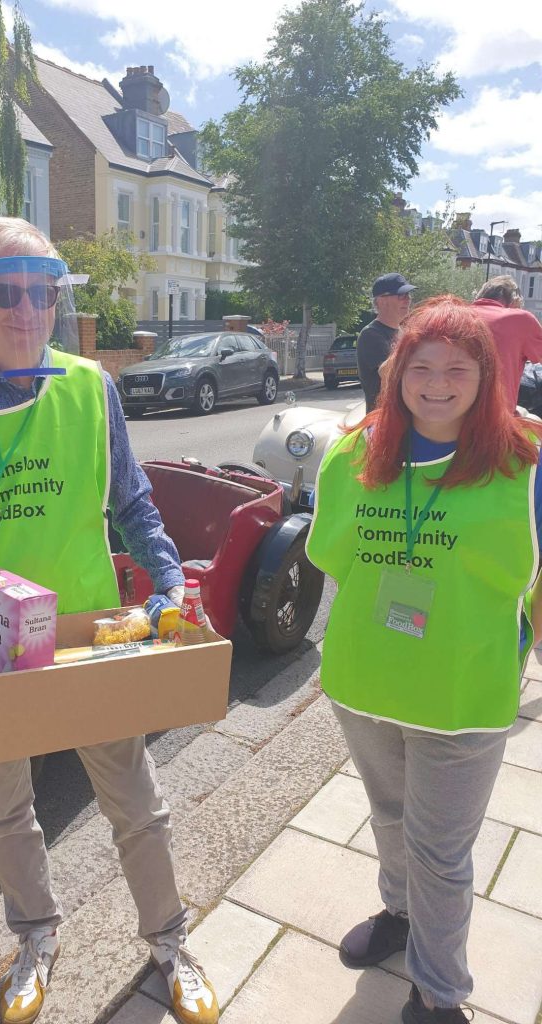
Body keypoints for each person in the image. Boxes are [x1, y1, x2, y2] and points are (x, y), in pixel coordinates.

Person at [0, 217, 219, 1024]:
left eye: (43, 290)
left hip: (87, 637)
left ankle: (170, 941)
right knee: (1, 814)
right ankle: (36, 935)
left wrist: (169, 580)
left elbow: (131, 502)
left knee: (136, 804)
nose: (28, 309)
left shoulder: (88, 387)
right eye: (7, 290)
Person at [306, 296, 542, 1023]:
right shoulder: (354, 452)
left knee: (441, 851)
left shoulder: (523, 461)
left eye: (457, 369)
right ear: (395, 371)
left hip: (462, 692)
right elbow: (330, 555)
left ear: (486, 377)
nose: (437, 382)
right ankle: (398, 915)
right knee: (387, 815)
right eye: (421, 366)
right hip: (365, 680)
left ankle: (439, 993)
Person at [472, 274, 542, 413]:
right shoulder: (520, 319)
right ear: (515, 301)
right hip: (496, 414)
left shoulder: (456, 314)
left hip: (452, 415)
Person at [357, 273, 416, 411]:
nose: (408, 300)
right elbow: (389, 373)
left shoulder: (404, 333)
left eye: (409, 295)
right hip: (382, 421)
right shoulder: (370, 334)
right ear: (382, 300)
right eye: (402, 295)